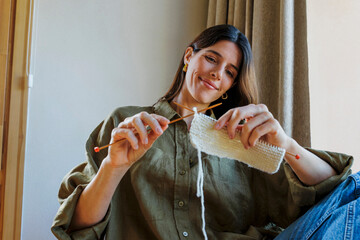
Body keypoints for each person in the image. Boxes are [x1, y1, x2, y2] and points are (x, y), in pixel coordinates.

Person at [52, 24, 357, 240]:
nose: (217, 73)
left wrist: (285, 143)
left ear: (231, 86)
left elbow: (334, 191)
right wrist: (113, 166)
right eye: (212, 58)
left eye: (230, 72)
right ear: (189, 57)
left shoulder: (239, 139)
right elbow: (78, 227)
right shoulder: (127, 122)